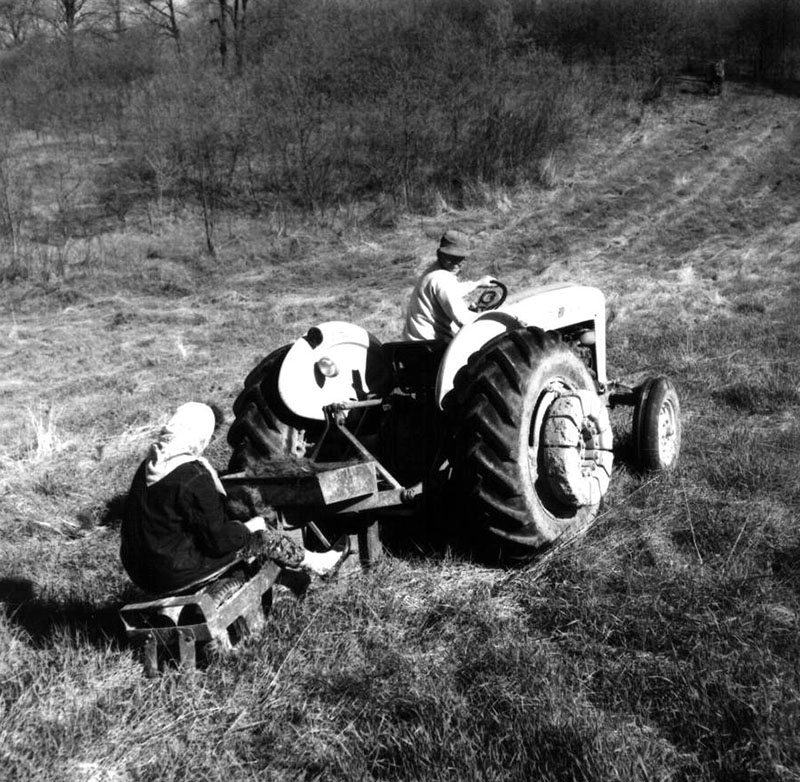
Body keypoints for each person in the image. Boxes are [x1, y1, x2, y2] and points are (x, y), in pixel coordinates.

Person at [120, 402, 345, 595]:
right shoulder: (193, 476)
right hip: (176, 573)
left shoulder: (149, 466)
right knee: (262, 536)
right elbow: (219, 543)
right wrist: (248, 528)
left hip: (142, 574)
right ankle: (317, 565)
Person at [402, 229, 494, 342]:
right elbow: (464, 320)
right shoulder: (442, 279)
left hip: (415, 343)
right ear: (440, 254)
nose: (455, 263)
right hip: (431, 347)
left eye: (459, 258)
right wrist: (496, 323)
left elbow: (451, 290)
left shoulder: (433, 272)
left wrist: (478, 284)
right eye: (450, 258)